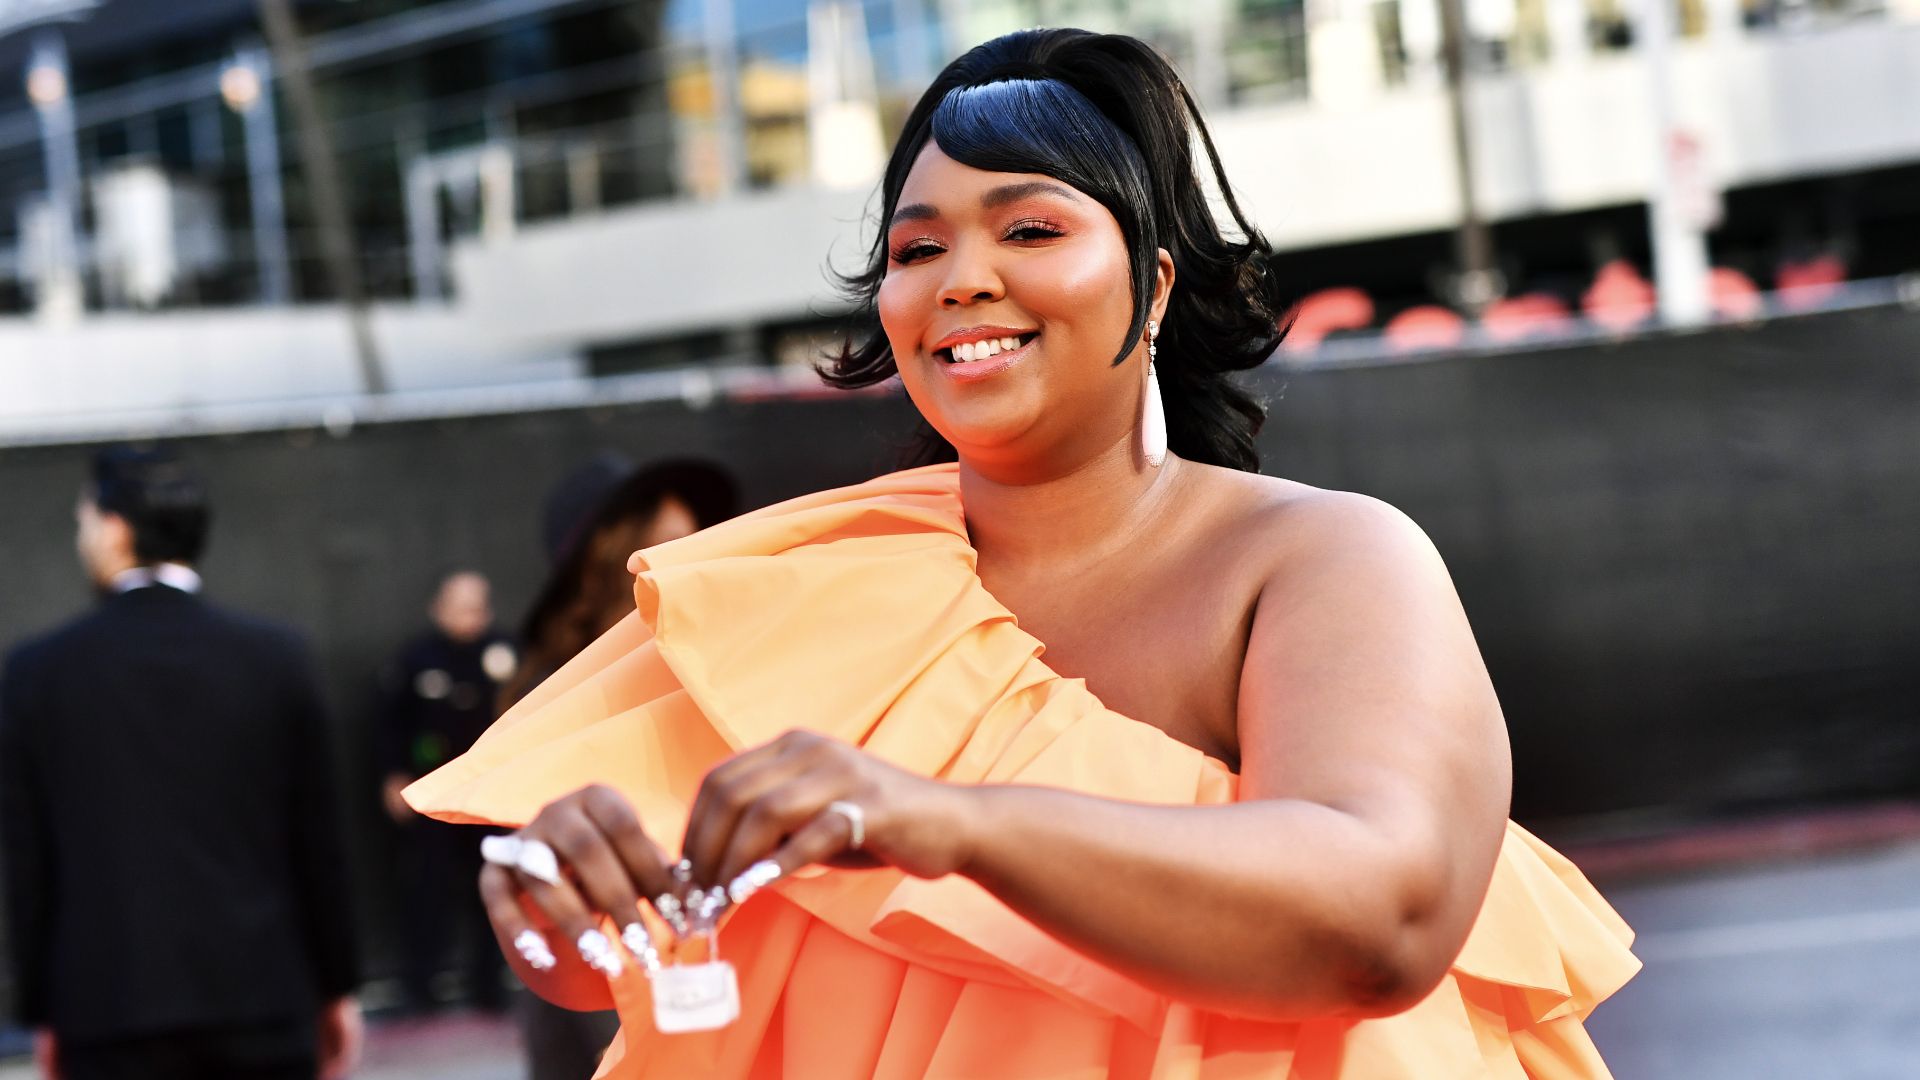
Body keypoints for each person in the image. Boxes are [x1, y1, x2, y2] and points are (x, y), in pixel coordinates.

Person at [408, 29, 1638, 1079]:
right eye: (917, 248)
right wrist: (558, 911)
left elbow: (1388, 913)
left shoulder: (1323, 561)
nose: (963, 280)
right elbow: (621, 974)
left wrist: (952, 824)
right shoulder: (795, 589)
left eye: (1031, 227)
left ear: (1153, 287)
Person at [0, 446, 361, 1080]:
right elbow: (319, 844)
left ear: (115, 529)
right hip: (263, 1003)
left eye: (83, 520)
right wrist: (337, 986)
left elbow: (30, 864)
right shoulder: (277, 658)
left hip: (107, 1014)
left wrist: (42, 1009)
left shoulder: (38, 674)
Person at [501, 454, 739, 1080]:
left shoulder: (738, 680)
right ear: (598, 575)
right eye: (657, 553)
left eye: (697, 546)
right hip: (607, 1001)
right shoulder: (539, 713)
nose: (685, 569)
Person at [379, 570, 518, 1013]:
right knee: (427, 892)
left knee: (493, 890)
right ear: (438, 608)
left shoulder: (506, 654)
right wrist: (393, 775)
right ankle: (420, 987)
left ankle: (490, 987)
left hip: (490, 797)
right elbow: (389, 725)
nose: (468, 616)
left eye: (476, 606)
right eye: (459, 606)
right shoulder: (416, 659)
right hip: (432, 795)